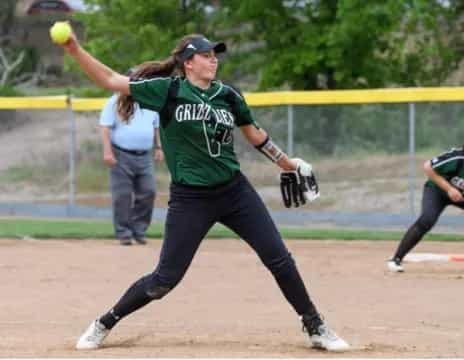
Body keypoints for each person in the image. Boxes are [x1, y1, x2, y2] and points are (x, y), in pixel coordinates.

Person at [57, 30, 349, 352]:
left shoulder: (229, 95)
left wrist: (287, 164)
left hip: (235, 192)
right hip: (191, 199)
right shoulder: (166, 91)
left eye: (215, 55)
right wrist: (74, 49)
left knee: (279, 258)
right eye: (206, 55)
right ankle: (105, 322)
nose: (214, 60)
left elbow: (256, 136)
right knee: (164, 280)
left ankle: (314, 324)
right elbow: (111, 80)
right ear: (188, 63)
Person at [388, 128, 464, 272]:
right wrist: (449, 189)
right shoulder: (459, 158)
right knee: (427, 220)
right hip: (438, 191)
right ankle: (396, 259)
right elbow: (428, 167)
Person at [100, 71, 164, 245]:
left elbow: (156, 126)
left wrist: (159, 146)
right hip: (121, 155)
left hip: (144, 155)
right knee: (122, 196)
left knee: (148, 192)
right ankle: (124, 233)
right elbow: (105, 127)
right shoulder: (115, 101)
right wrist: (107, 151)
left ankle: (139, 230)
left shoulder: (150, 102)